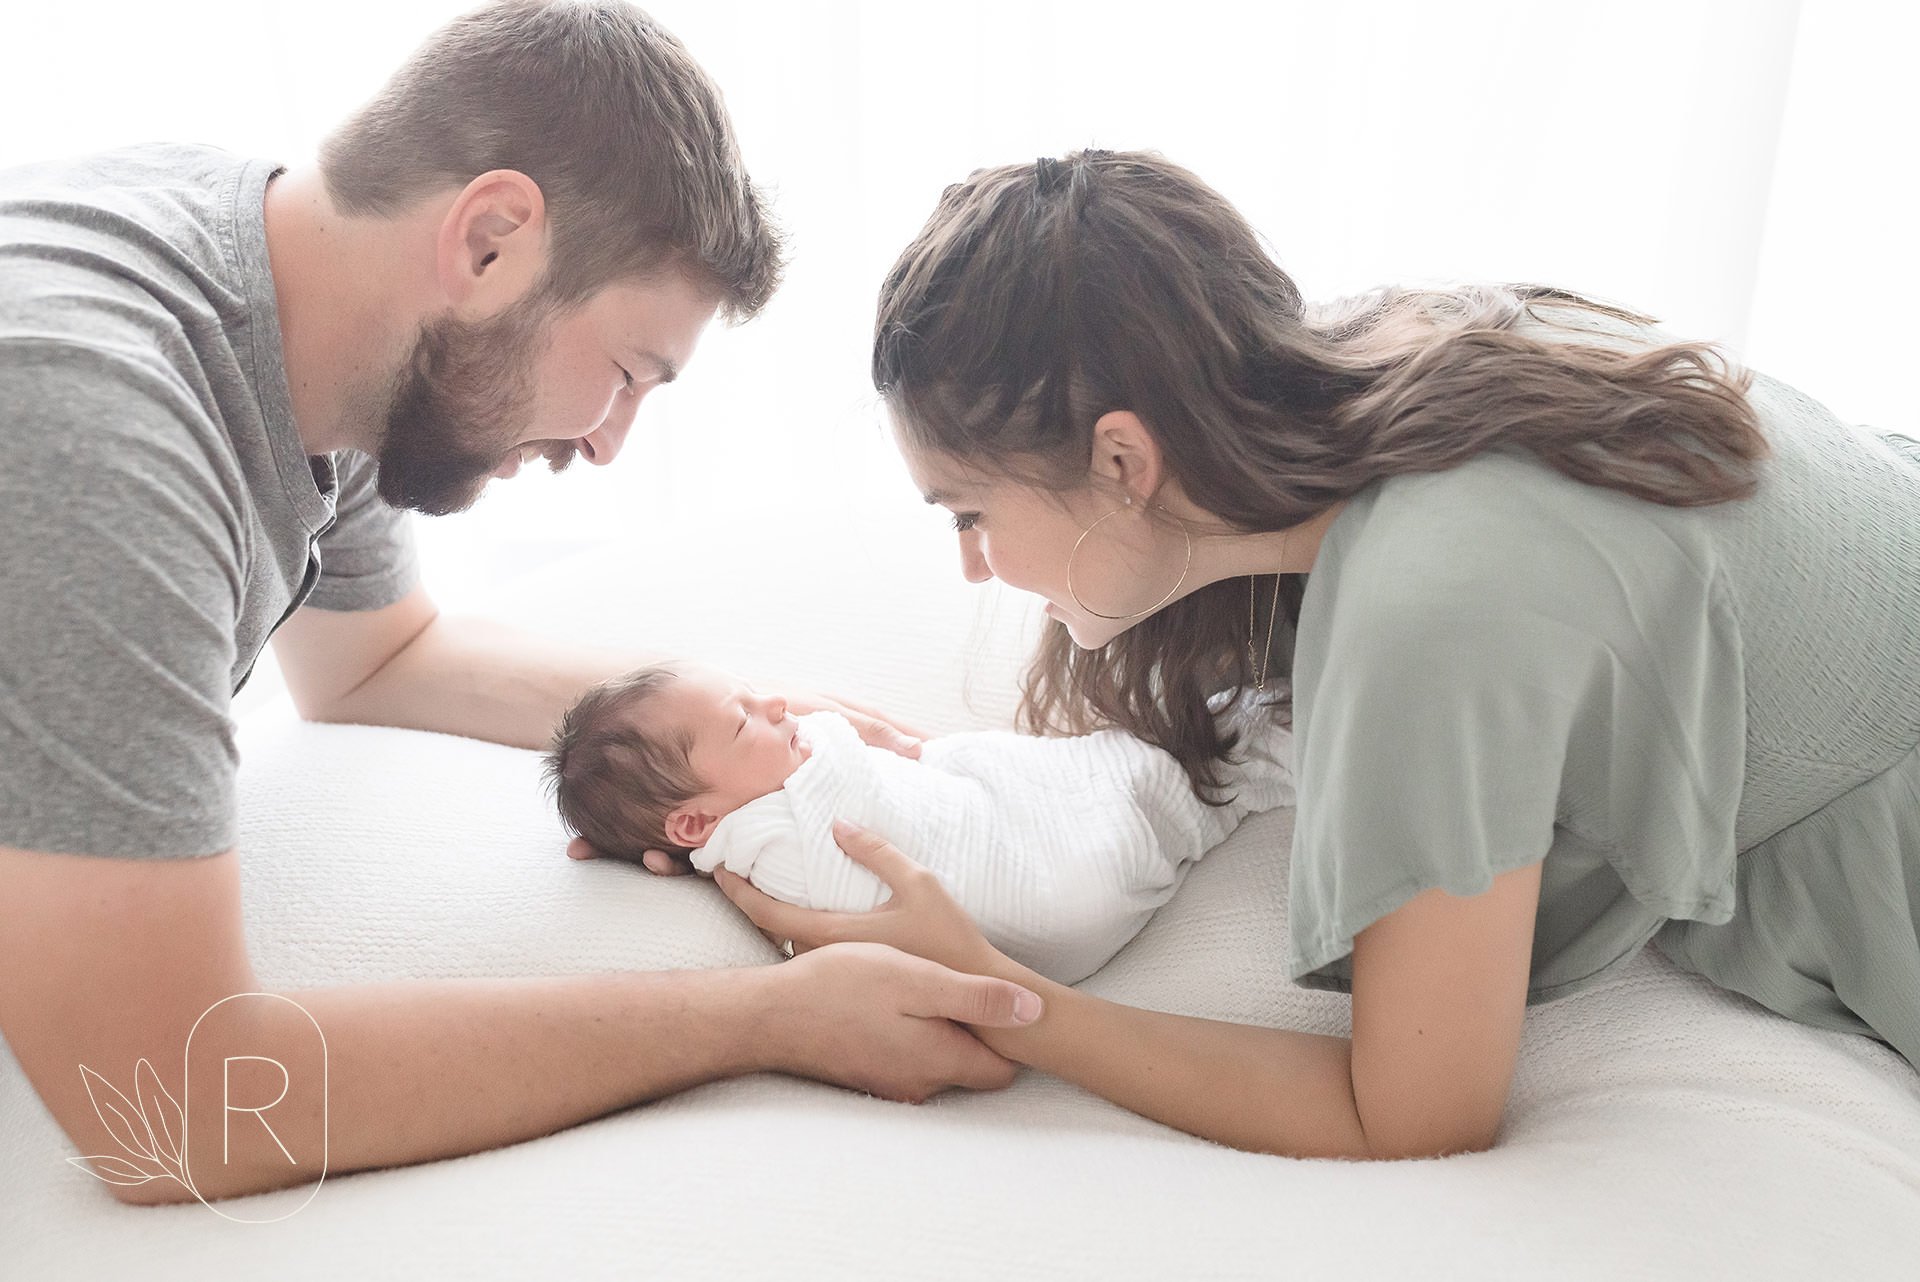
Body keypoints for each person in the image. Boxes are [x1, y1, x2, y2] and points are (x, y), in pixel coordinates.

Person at [0, 1, 1048, 1209]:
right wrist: (767, 1019)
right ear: (491, 238)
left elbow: (377, 659)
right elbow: (176, 1108)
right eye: (627, 375)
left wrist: (722, 715)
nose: (608, 444)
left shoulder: (299, 316)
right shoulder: (101, 437)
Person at [685, 148, 1920, 1162]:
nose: (974, 568)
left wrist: (1001, 991)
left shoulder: (1427, 612)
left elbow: (1414, 1113)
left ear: (1123, 460)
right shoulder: (1393, 348)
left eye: (968, 514)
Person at [546, 660, 1293, 985]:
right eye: (744, 722)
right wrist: (846, 737)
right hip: (1046, 892)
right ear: (690, 825)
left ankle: (1249, 736)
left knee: (1164, 761)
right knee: (1180, 760)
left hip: (1036, 870)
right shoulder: (776, 837)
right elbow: (846, 880)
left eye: (756, 694)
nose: (781, 707)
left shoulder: (743, 831)